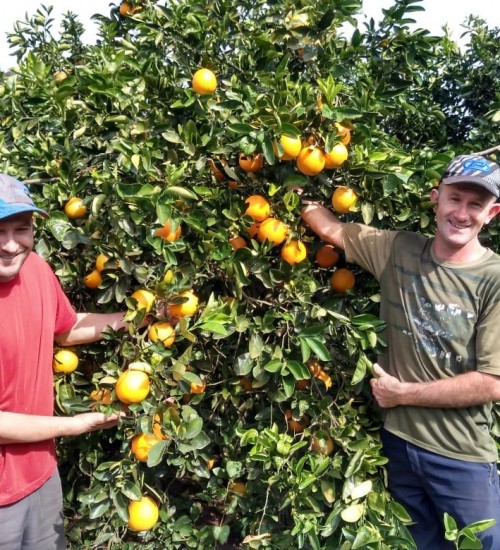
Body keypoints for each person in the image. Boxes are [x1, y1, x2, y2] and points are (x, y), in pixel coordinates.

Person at [301, 154, 500, 549]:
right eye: (454, 199)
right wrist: (295, 181)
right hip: (399, 443)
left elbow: (493, 383)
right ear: (436, 199)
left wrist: (403, 394)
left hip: (461, 453)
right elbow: (333, 229)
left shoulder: (493, 280)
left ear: (492, 213)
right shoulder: (398, 250)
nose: (462, 213)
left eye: (475, 205)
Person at [0, 174, 135, 549]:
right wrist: (74, 425)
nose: (11, 244)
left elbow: (65, 328)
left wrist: (138, 319)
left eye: (21, 229)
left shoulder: (37, 270)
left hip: (42, 476)